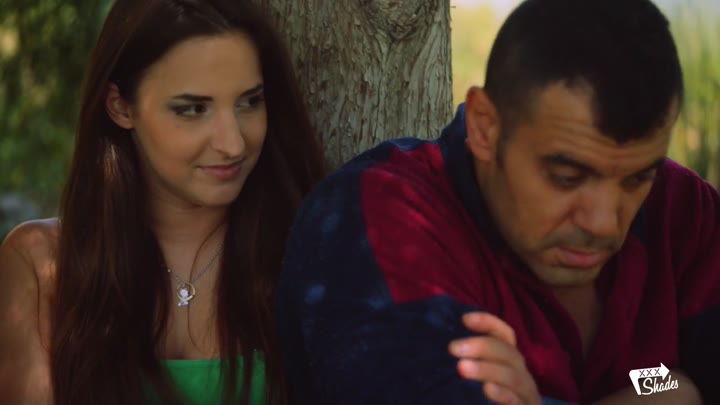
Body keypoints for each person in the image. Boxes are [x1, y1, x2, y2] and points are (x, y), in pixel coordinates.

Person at [275, 0, 720, 403]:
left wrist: (662, 383)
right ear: (485, 127)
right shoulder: (383, 215)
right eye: (567, 178)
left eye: (638, 179)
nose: (604, 222)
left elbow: (670, 378)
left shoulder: (682, 208)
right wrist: (681, 392)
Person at [0, 0, 325, 404]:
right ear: (120, 106)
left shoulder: (309, 254)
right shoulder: (42, 267)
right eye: (193, 109)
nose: (233, 143)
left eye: (249, 102)